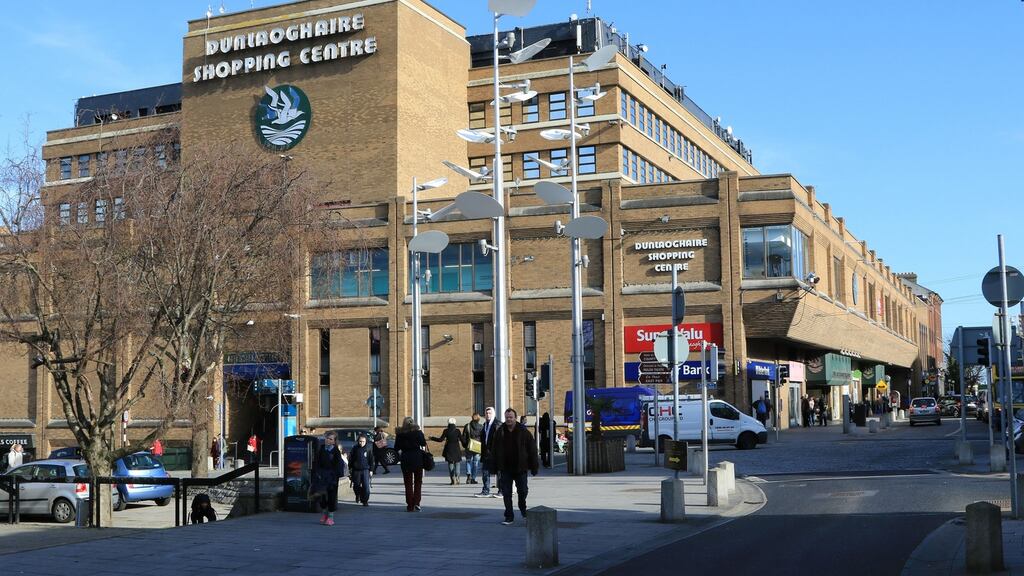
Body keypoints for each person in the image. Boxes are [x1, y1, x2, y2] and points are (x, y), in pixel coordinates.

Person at [489, 408, 539, 525]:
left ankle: (522, 506)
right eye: (507, 417)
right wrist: (494, 467)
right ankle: (509, 516)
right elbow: (494, 450)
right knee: (506, 493)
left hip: (520, 467)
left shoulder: (524, 431)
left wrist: (534, 466)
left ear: (515, 418)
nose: (509, 419)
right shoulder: (500, 432)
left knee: (523, 491)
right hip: (505, 468)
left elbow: (532, 450)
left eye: (511, 417)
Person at [311, 431, 346, 525]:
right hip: (322, 476)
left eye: (330, 439)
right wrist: (317, 473)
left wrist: (335, 476)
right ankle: (324, 514)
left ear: (334, 441)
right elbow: (317, 462)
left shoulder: (335, 451)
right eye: (327, 438)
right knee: (322, 496)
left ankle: (330, 517)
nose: (327, 440)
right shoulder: (321, 449)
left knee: (331, 497)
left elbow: (339, 466)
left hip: (332, 477)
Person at [395, 416, 427, 512]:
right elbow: (423, 443)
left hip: (406, 459)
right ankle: (417, 502)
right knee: (418, 482)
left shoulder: (400, 434)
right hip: (417, 458)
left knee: (408, 483)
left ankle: (410, 505)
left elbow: (396, 448)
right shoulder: (418, 432)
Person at [475, 407, 501, 498]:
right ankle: (486, 490)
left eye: (490, 413)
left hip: (495, 453)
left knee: (499, 472)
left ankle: (501, 491)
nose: (488, 415)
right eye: (486, 413)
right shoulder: (485, 424)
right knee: (485, 472)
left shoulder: (497, 424)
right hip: (486, 452)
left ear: (493, 414)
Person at [430, 417, 464, 485]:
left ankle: (452, 479)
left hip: (449, 449)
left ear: (448, 423)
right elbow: (462, 440)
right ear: (455, 423)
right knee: (457, 463)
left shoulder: (446, 430)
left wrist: (432, 438)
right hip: (456, 449)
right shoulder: (457, 431)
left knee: (450, 464)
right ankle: (457, 477)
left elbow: (440, 440)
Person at [348, 434, 375, 506]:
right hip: (356, 470)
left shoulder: (368, 449)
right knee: (356, 486)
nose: (362, 443)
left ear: (366, 441)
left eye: (363, 441)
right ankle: (358, 495)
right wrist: (350, 468)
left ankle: (365, 500)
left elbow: (371, 460)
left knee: (366, 487)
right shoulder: (355, 448)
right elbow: (351, 459)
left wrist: (371, 470)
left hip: (365, 470)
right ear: (358, 441)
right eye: (360, 441)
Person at [461, 413, 483, 484]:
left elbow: (463, 437)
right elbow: (483, 437)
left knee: (468, 461)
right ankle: (473, 478)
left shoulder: (467, 426)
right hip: (477, 446)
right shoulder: (481, 426)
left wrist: (465, 445)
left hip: (469, 446)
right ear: (479, 419)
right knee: (475, 462)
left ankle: (468, 476)